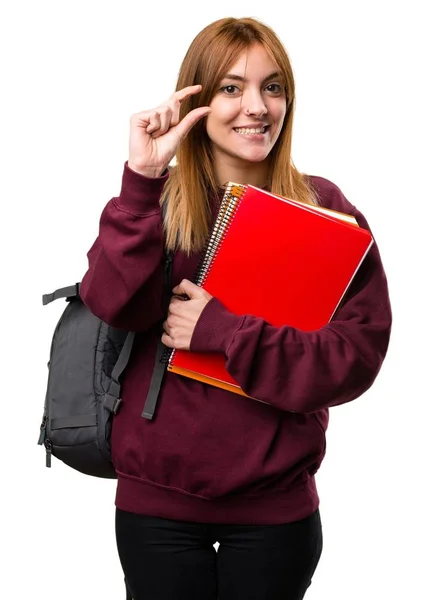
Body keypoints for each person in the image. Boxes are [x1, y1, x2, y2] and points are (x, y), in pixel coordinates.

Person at [80, 16, 392, 600]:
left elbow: (356, 356)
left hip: (276, 512)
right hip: (156, 508)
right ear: (197, 97)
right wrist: (143, 178)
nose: (257, 106)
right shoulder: (151, 199)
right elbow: (111, 303)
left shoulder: (324, 208)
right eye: (232, 87)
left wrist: (222, 330)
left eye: (272, 87)